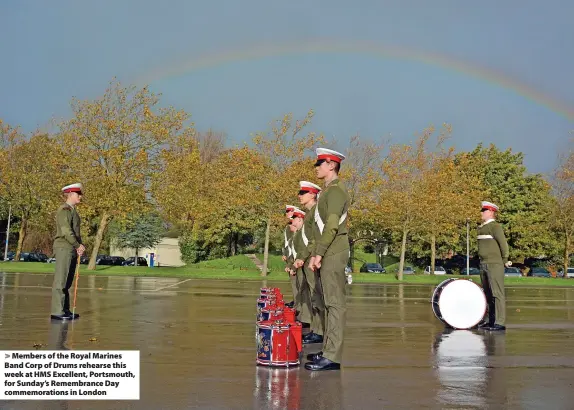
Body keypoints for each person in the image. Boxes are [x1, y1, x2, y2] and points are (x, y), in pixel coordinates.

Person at [305, 148, 350, 371]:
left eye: (320, 163)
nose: (317, 167)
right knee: (329, 304)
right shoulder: (329, 191)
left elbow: (332, 225)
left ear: (332, 165)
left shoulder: (335, 192)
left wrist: (319, 252)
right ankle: (328, 350)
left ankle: (332, 356)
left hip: (333, 252)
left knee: (334, 304)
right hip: (328, 251)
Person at [292, 181, 325, 347]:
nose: (299, 195)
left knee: (316, 296)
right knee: (313, 296)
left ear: (312, 194)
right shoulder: (311, 213)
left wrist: (306, 257)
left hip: (313, 259)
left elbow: (314, 240)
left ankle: (319, 331)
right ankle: (316, 329)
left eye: (303, 192)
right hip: (308, 259)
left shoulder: (315, 213)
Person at [51, 183, 86, 321]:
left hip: (71, 247)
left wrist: (79, 246)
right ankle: (57, 311)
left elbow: (75, 231)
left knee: (67, 280)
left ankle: (64, 309)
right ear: (71, 194)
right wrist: (78, 245)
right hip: (64, 247)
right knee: (61, 280)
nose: (80, 196)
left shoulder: (72, 210)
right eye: (78, 194)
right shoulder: (64, 210)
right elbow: (66, 231)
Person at [477, 201, 510, 331]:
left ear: (491, 212)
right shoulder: (481, 227)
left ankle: (499, 322)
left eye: (484, 210)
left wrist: (505, 259)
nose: (481, 213)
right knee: (488, 294)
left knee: (497, 293)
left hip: (494, 264)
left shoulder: (495, 227)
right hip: (483, 264)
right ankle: (491, 321)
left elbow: (503, 244)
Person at [287, 208, 312, 326]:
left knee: (307, 293)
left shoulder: (304, 232)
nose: (292, 222)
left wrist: (295, 264)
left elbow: (303, 249)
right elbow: (294, 251)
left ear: (300, 219)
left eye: (294, 219)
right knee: (302, 291)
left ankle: (307, 319)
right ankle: (304, 316)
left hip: (305, 263)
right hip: (300, 264)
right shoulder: (298, 234)